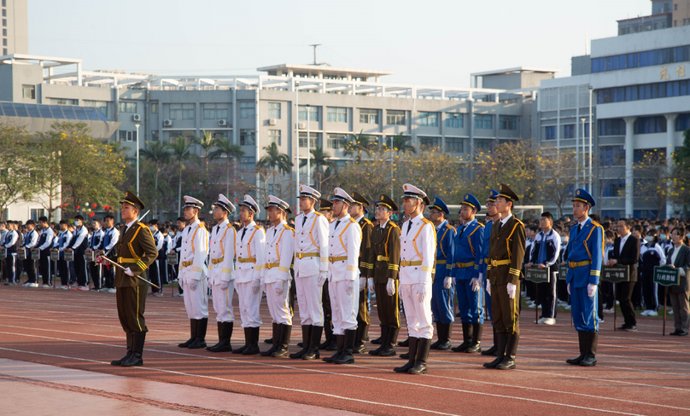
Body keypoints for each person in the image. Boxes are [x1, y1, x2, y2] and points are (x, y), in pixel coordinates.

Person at [106, 191, 158, 367]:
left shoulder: (141, 230)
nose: (122, 210)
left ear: (135, 211)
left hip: (135, 279)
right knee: (125, 317)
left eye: (126, 207)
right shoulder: (124, 229)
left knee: (135, 317)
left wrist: (136, 269)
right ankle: (129, 353)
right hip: (122, 277)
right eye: (122, 207)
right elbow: (121, 256)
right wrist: (107, 260)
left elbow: (152, 253)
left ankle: (137, 355)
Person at [394, 184, 435, 375]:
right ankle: (411, 360)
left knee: (424, 319)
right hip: (407, 276)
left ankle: (421, 361)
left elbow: (428, 257)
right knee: (411, 319)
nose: (405, 204)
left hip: (419, 277)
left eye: (408, 200)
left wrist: (425, 282)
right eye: (404, 200)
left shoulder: (426, 226)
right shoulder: (405, 225)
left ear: (419, 203)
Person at [483, 184, 525, 371]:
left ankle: (510, 356)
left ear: (509, 204)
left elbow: (518, 254)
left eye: (500, 200)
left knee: (510, 318)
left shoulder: (516, 226)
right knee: (498, 317)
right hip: (496, 276)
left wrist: (513, 280)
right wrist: (488, 276)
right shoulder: (496, 225)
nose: (496, 203)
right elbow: (492, 254)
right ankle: (500, 355)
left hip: (508, 277)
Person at [564, 189, 603, 367]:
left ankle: (591, 354)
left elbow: (597, 256)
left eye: (578, 206)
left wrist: (594, 280)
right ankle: (582, 353)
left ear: (586, 207)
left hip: (587, 275)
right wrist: (569, 279)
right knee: (578, 315)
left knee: (589, 315)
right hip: (575, 275)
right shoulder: (574, 229)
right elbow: (570, 255)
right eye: (573, 206)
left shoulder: (595, 229)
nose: (574, 209)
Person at [323, 188, 361, 365]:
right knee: (337, 313)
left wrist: (350, 276)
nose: (333, 206)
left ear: (345, 205)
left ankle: (348, 352)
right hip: (334, 272)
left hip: (345, 273)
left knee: (348, 314)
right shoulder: (332, 225)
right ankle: (339, 350)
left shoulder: (352, 225)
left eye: (337, 203)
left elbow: (353, 253)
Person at [291, 185, 329, 360]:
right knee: (304, 309)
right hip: (300, 266)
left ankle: (314, 348)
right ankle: (306, 346)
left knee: (315, 309)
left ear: (313, 201)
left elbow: (324, 245)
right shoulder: (299, 220)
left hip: (313, 265)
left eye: (305, 199)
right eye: (301, 199)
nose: (302, 202)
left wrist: (324, 268)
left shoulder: (319, 219)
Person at [261, 195, 295, 358]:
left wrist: (281, 278)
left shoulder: (287, 232)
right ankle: (275, 344)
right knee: (274, 312)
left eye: (272, 210)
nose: (269, 213)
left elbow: (286, 257)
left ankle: (283, 345)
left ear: (281, 212)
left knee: (282, 311)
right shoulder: (270, 231)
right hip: (269, 273)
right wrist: (263, 276)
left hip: (279, 274)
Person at [368, 194, 401, 357]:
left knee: (391, 309)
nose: (378, 211)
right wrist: (370, 276)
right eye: (378, 208)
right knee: (381, 308)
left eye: (382, 209)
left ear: (389, 213)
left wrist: (392, 277)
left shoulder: (393, 230)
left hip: (388, 273)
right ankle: (384, 340)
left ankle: (391, 343)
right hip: (378, 273)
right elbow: (373, 254)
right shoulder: (376, 229)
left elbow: (395, 254)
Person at [451, 194, 485, 353]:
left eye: (466, 209)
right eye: (462, 208)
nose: (462, 211)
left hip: (471, 271)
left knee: (475, 307)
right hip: (460, 272)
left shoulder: (478, 229)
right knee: (463, 307)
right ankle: (467, 340)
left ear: (474, 211)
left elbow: (480, 253)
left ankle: (476, 341)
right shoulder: (460, 229)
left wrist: (478, 275)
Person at [232, 195, 266, 355]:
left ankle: (253, 344)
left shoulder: (258, 232)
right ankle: (247, 343)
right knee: (244, 309)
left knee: (252, 310)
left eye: (244, 211)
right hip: (241, 273)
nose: (241, 213)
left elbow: (260, 257)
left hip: (252, 273)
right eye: (241, 211)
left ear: (251, 213)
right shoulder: (240, 232)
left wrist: (258, 278)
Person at [177, 196, 210, 349]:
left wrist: (195, 275)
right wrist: (181, 273)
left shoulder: (200, 230)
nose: (185, 211)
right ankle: (193, 337)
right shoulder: (188, 229)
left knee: (199, 306)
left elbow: (201, 253)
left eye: (187, 209)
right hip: (186, 269)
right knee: (190, 307)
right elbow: (183, 253)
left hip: (196, 271)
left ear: (195, 211)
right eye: (185, 209)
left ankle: (200, 338)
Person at [206, 194, 238, 353]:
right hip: (215, 270)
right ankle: (221, 340)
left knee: (225, 308)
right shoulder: (215, 229)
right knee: (218, 308)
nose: (214, 211)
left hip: (224, 272)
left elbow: (229, 254)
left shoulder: (230, 230)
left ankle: (226, 342)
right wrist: (210, 273)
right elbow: (212, 253)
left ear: (225, 212)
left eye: (217, 209)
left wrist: (225, 275)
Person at [427, 197, 455, 351]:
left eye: (435, 212)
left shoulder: (449, 230)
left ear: (442, 214)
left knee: (444, 304)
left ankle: (446, 339)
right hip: (433, 270)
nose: (432, 214)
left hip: (444, 269)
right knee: (436, 305)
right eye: (431, 211)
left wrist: (449, 274)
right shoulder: (432, 229)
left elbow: (451, 253)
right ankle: (440, 338)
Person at [350, 192, 374, 354]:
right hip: (351, 270)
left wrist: (365, 274)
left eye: (353, 205)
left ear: (361, 208)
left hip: (361, 270)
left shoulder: (366, 225)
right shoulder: (351, 224)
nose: (350, 208)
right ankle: (353, 337)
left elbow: (367, 251)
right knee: (351, 305)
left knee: (361, 305)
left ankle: (361, 338)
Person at [528, 212, 561, 325]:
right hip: (539, 268)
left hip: (551, 268)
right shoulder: (538, 235)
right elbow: (533, 250)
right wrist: (531, 262)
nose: (541, 222)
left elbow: (556, 253)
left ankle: (551, 316)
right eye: (540, 219)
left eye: (544, 220)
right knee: (541, 292)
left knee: (551, 292)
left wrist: (547, 263)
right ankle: (544, 314)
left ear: (550, 221)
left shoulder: (554, 235)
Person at [608, 219, 640, 332]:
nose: (619, 229)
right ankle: (627, 322)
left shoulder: (634, 240)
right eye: (617, 226)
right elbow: (616, 255)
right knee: (620, 299)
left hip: (630, 274)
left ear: (628, 227)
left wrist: (618, 261)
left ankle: (632, 322)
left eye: (621, 226)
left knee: (626, 298)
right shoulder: (617, 240)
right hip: (619, 274)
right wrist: (612, 261)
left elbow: (634, 258)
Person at [480, 190, 500, 357]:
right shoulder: (487, 226)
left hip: (500, 271)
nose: (489, 207)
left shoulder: (507, 225)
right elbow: (483, 252)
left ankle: (502, 346)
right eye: (488, 204)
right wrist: (480, 273)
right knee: (492, 310)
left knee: (502, 311)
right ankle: (496, 344)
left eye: (492, 204)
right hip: (488, 270)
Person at [317, 198, 337, 351]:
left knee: (332, 306)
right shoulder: (323, 227)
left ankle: (336, 339)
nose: (321, 214)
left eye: (324, 212)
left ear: (331, 214)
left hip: (334, 272)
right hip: (324, 271)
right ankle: (328, 337)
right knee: (324, 306)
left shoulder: (335, 228)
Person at [667, 226, 690, 336]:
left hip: (683, 282)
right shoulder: (671, 250)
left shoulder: (687, 250)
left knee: (683, 307)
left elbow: (688, 266)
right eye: (672, 234)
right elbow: (668, 263)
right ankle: (677, 327)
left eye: (676, 234)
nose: (673, 236)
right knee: (675, 307)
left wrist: (676, 270)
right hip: (672, 282)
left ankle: (684, 328)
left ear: (682, 236)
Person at [69, 215, 90, 291]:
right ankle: (79, 282)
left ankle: (85, 283)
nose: (76, 221)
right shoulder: (76, 230)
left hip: (82, 251)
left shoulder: (84, 230)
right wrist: (68, 247)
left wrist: (72, 248)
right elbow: (73, 240)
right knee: (77, 266)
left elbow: (79, 241)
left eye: (78, 220)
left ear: (82, 221)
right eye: (75, 220)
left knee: (83, 267)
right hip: (76, 251)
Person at [101, 214, 120, 293]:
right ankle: (107, 285)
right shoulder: (106, 231)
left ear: (112, 221)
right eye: (105, 221)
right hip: (105, 253)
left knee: (111, 269)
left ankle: (113, 285)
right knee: (106, 269)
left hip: (112, 252)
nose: (106, 222)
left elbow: (113, 243)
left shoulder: (115, 231)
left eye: (108, 221)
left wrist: (105, 249)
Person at [36, 216, 54, 288]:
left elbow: (48, 242)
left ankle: (48, 282)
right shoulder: (42, 231)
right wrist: (36, 247)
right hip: (41, 252)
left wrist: (40, 248)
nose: (39, 224)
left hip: (47, 252)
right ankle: (44, 282)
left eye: (40, 222)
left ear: (44, 222)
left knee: (47, 267)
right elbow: (39, 240)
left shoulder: (50, 231)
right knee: (43, 267)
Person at [21, 220, 39, 287]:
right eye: (27, 225)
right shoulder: (27, 233)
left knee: (32, 266)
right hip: (26, 252)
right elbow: (24, 241)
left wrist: (26, 247)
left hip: (32, 251)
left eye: (29, 225)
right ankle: (30, 279)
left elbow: (33, 243)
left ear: (33, 225)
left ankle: (34, 280)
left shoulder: (34, 233)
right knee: (27, 266)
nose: (27, 226)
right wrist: (22, 246)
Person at [88, 219, 104, 291]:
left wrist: (94, 248)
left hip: (97, 253)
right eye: (92, 223)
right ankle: (95, 285)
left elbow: (100, 243)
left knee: (98, 269)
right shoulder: (93, 233)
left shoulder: (101, 233)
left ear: (99, 224)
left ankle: (99, 285)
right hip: (92, 253)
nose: (93, 225)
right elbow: (91, 242)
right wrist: (89, 248)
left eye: (95, 223)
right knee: (92, 269)